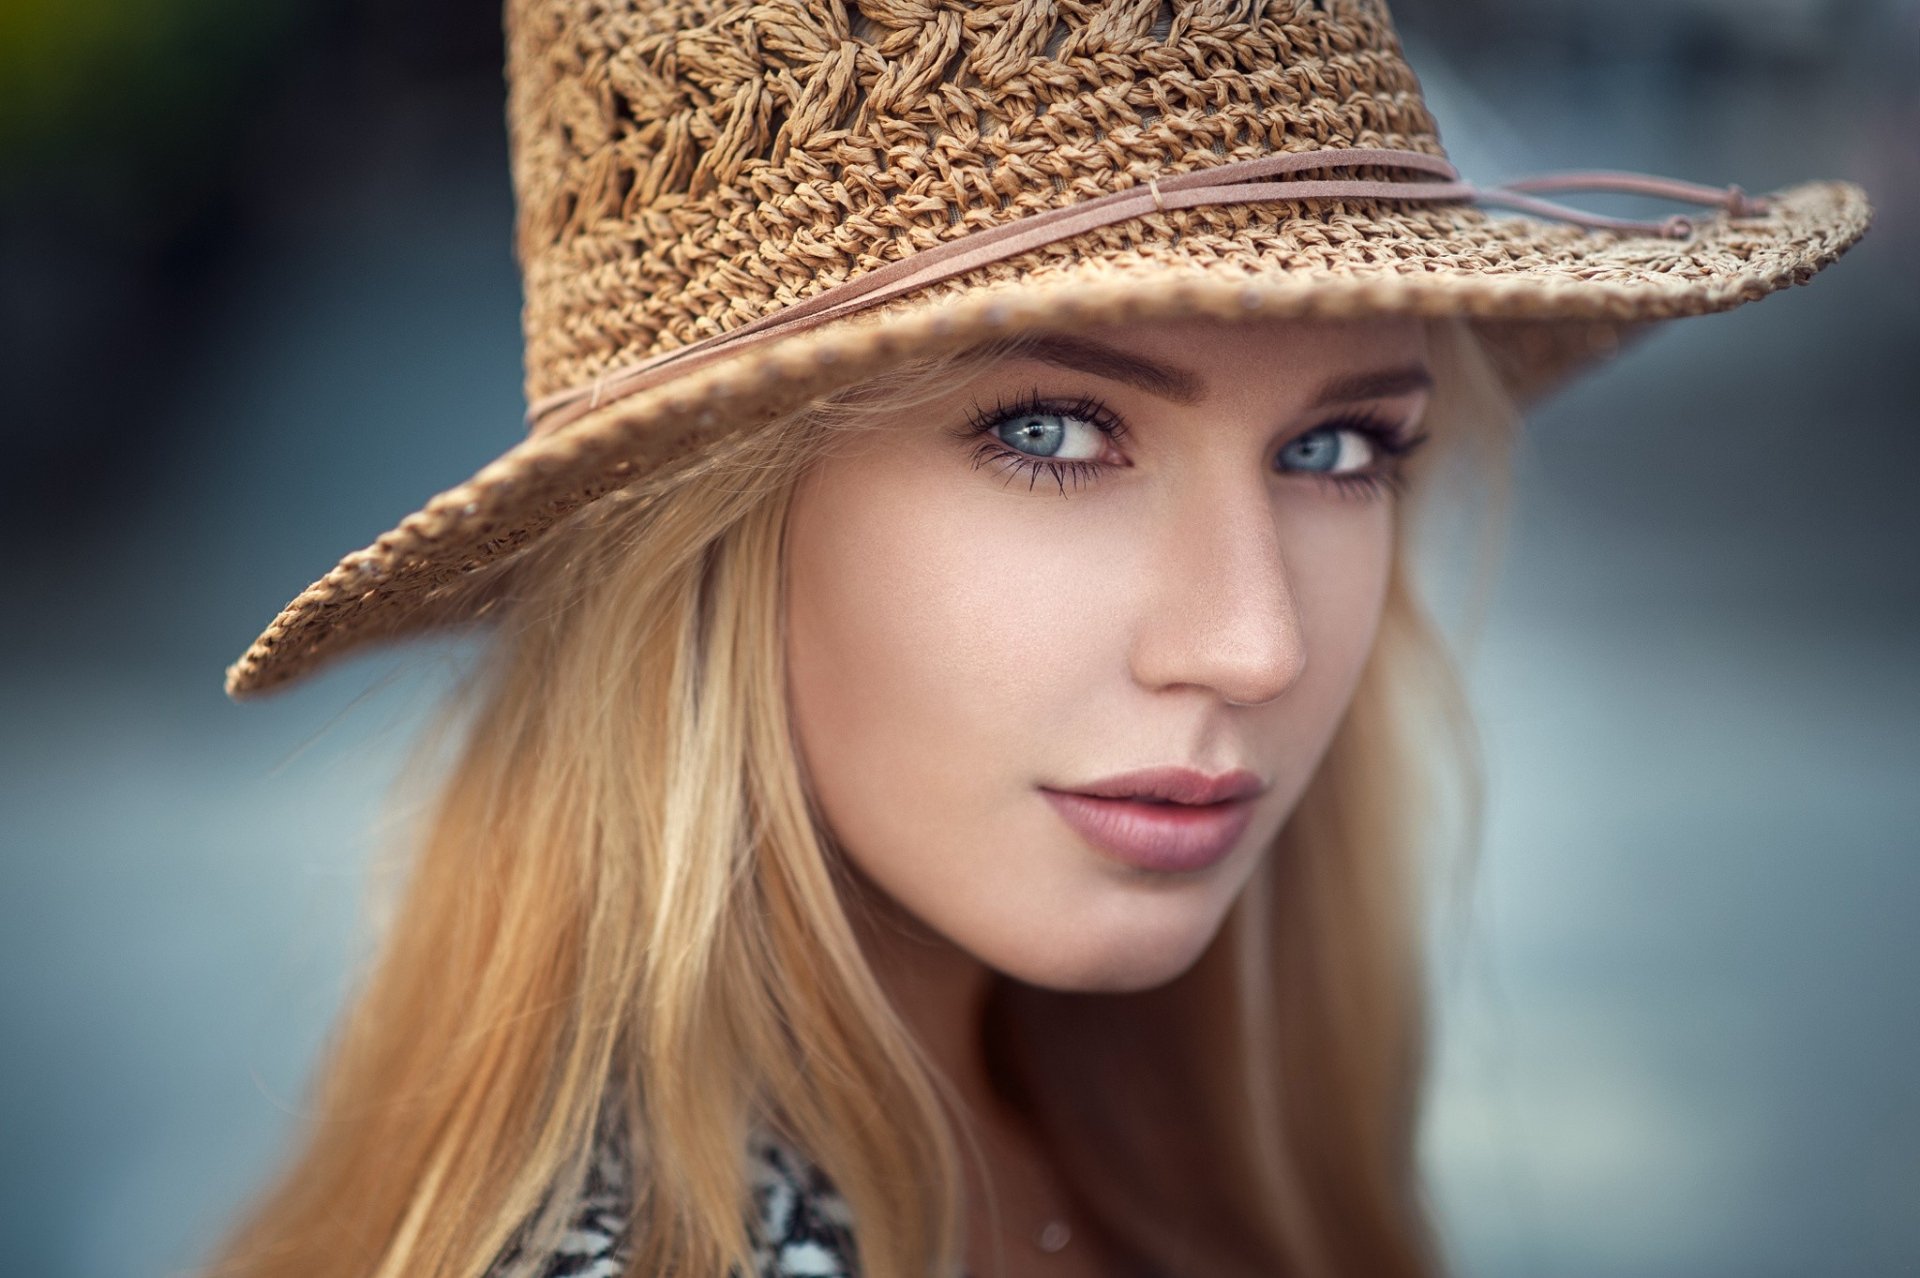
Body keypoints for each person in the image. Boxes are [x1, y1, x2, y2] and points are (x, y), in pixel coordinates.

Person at [206, 0, 1869, 1276]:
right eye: (1056, 431)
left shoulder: (1155, 1122)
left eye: (1337, 448)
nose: (1255, 645)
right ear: (698, 529)